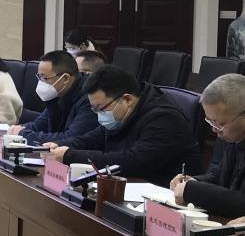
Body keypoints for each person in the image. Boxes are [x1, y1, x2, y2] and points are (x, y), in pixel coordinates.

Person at [48, 65, 202, 182]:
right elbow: (93, 138)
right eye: (94, 109)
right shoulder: (123, 113)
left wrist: (70, 155)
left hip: (165, 195)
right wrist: (58, 146)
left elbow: (133, 162)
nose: (99, 115)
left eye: (101, 108)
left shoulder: (165, 119)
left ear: (127, 99)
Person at [171, 74, 245, 216]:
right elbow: (221, 178)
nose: (214, 130)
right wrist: (194, 181)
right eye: (211, 121)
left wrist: (193, 191)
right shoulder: (234, 136)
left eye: (220, 123)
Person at [11, 50, 96, 146]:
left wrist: (24, 134)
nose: (41, 82)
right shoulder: (58, 93)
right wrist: (19, 129)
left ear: (65, 78)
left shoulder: (90, 98)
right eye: (39, 77)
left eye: (44, 78)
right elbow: (39, 124)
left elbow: (71, 138)